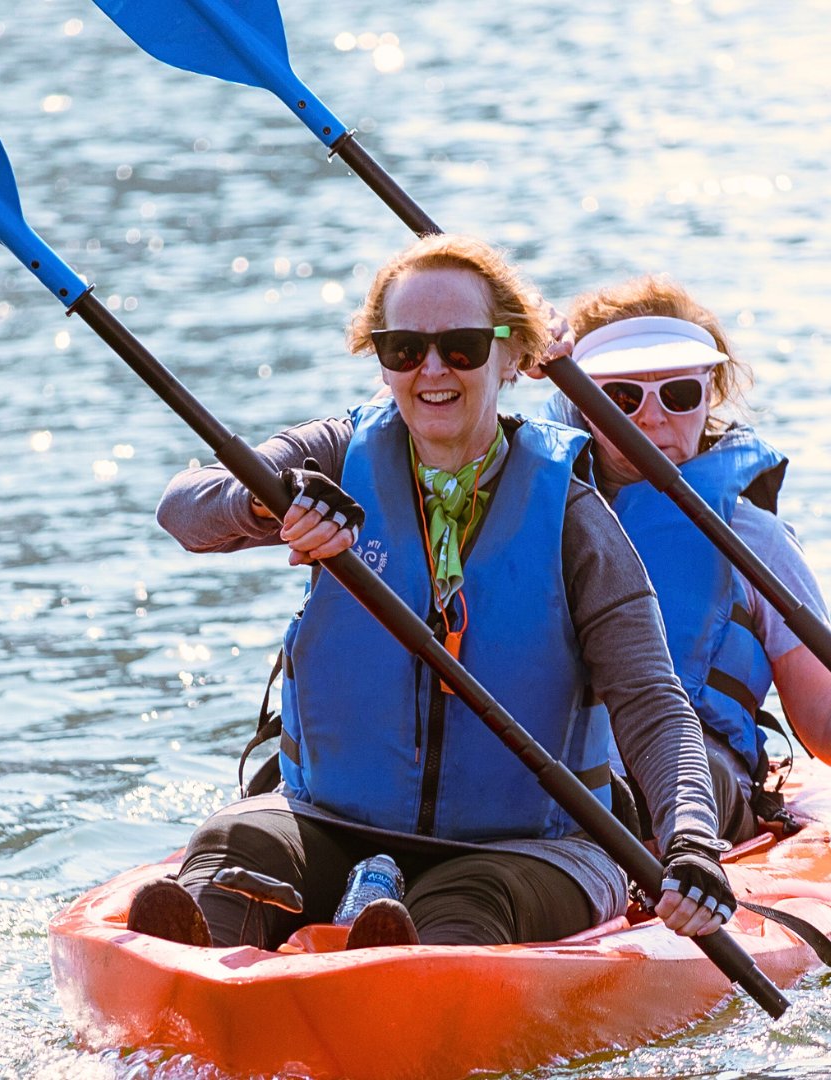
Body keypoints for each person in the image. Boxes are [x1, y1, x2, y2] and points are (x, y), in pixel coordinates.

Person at [128, 236, 736, 953]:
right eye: (405, 349)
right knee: (235, 843)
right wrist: (271, 501)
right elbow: (185, 509)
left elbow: (652, 702)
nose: (433, 370)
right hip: (332, 819)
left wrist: (691, 840)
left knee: (468, 903)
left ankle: (397, 960)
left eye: (463, 346)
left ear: (512, 356)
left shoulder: (574, 518)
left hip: (530, 847)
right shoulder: (334, 454)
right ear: (381, 359)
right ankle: (194, 986)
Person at [537, 275, 831, 844]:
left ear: (710, 392)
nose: (651, 418)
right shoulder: (530, 511)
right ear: (581, 404)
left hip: (700, 779)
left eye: (678, 394)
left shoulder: (756, 541)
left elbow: (827, 726)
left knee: (680, 775)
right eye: (621, 397)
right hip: (565, 772)